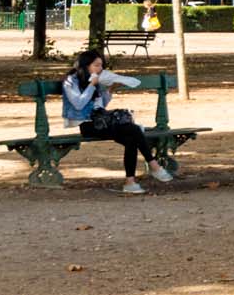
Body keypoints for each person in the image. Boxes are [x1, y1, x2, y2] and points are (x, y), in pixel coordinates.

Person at [62, 49, 171, 194]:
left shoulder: (96, 79)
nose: (100, 69)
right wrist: (91, 85)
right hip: (88, 125)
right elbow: (78, 104)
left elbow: (101, 105)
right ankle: (154, 165)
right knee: (133, 130)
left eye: (101, 66)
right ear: (85, 65)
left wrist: (111, 89)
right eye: (96, 65)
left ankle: (130, 183)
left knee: (131, 137)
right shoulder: (71, 81)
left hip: (102, 122)